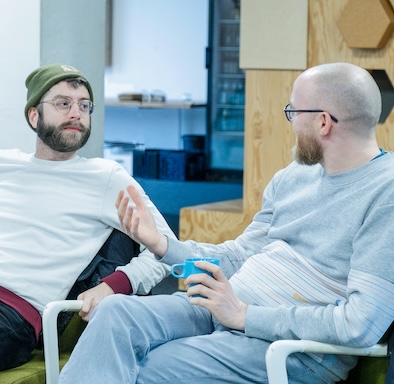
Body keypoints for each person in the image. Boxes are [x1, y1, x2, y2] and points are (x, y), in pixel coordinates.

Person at [58, 62, 394, 384]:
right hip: (223, 307)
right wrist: (163, 246)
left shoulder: (385, 193)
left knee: (141, 367)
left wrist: (246, 316)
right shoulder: (294, 177)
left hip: (291, 349)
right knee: (114, 313)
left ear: (323, 122)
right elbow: (239, 256)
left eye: (293, 112)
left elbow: (361, 323)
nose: (290, 122)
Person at [0, 63, 176, 371]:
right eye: (63, 104)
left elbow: (168, 249)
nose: (76, 113)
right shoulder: (6, 164)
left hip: (14, 312)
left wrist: (113, 285)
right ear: (33, 115)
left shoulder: (105, 177)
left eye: (84, 106)